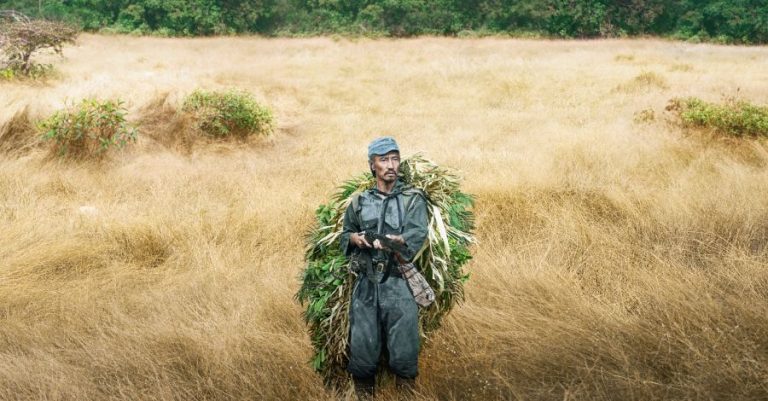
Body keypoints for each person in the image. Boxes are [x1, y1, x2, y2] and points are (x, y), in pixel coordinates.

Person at [339, 137, 429, 399]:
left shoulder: (413, 199)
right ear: (372, 165)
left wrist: (392, 241)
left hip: (400, 284)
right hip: (366, 286)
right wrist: (358, 239)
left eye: (395, 158)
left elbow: (416, 234)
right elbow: (346, 233)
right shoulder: (359, 201)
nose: (391, 165)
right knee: (363, 355)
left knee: (404, 354)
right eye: (384, 160)